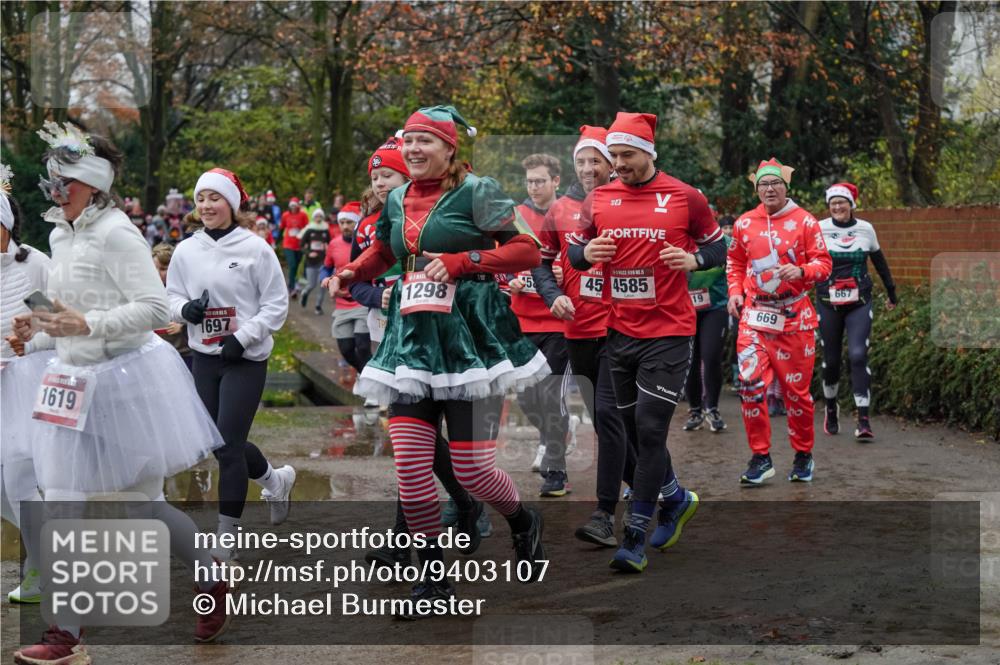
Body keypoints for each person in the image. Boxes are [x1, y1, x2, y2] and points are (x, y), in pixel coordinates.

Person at [10, 124, 231, 661]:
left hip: (127, 383)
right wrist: (33, 331)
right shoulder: (59, 234)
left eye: (63, 178)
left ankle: (212, 576)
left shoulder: (116, 232)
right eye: (51, 177)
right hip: (66, 383)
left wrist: (87, 324)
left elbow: (155, 310)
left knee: (142, 507)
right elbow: (65, 314)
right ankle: (66, 634)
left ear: (90, 183)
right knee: (59, 501)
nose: (53, 186)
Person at [329, 105, 548, 606]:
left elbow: (527, 251)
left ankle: (522, 518)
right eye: (408, 142)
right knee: (410, 462)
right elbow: (384, 253)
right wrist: (351, 274)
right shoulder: (399, 196)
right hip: (410, 339)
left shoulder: (477, 191)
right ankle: (432, 577)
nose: (412, 150)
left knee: (472, 471)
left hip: (467, 340)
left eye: (424, 142)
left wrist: (462, 260)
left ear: (450, 149)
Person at [568, 112, 726, 572]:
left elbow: (720, 246)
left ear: (650, 153)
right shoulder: (598, 199)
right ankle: (674, 498)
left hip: (670, 332)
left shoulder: (685, 197)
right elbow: (574, 254)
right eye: (613, 156)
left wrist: (693, 258)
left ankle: (634, 535)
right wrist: (585, 254)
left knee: (652, 428)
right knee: (633, 431)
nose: (619, 164)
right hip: (618, 334)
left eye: (628, 155)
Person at [167, 167, 296, 561]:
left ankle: (227, 536)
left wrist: (244, 337)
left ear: (232, 204)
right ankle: (275, 482)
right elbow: (169, 294)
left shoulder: (255, 248)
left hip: (245, 358)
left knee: (228, 446)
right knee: (219, 441)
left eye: (215, 198)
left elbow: (277, 304)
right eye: (201, 199)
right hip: (203, 357)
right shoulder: (186, 249)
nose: (206, 206)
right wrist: (185, 309)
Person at [534, 125, 639, 546]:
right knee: (604, 420)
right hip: (578, 329)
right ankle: (662, 491)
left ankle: (603, 512)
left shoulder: (628, 203)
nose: (588, 167)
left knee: (615, 419)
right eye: (581, 160)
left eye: (595, 159)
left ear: (612, 162)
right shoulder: (559, 210)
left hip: (619, 329)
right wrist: (553, 294)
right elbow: (540, 262)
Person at [725, 158, 832, 485]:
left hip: (794, 319)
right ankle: (760, 457)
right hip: (754, 317)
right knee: (751, 384)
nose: (769, 189)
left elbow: (824, 264)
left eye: (775, 184)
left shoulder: (806, 222)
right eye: (763, 185)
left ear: (786, 187)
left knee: (796, 394)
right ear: (756, 189)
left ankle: (803, 455)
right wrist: (734, 292)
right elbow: (735, 262)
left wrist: (802, 271)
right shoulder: (744, 223)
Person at [0, 163, 51, 605]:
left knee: (19, 478)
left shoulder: (32, 265)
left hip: (27, 382)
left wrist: (27, 344)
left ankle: (45, 570)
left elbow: (56, 322)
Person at [509, 153, 572, 496]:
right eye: (529, 181)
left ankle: (556, 472)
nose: (533, 187)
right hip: (522, 320)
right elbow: (501, 257)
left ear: (556, 181)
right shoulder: (515, 217)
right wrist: (510, 282)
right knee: (526, 396)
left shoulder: (570, 214)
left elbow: (587, 260)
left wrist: (567, 274)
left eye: (540, 181)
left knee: (551, 396)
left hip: (559, 322)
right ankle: (555, 436)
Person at [817, 182, 897, 439]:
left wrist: (892, 293)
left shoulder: (865, 229)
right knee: (830, 362)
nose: (838, 207)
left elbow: (880, 262)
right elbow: (807, 262)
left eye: (842, 202)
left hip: (859, 302)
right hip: (828, 302)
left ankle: (863, 420)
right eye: (833, 203)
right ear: (829, 206)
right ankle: (831, 408)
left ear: (851, 204)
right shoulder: (819, 228)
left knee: (858, 355)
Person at [682, 209, 733, 433]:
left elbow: (737, 270)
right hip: (684, 309)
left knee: (711, 356)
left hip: (715, 308)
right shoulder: (678, 240)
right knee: (690, 360)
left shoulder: (725, 242)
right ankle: (695, 411)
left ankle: (712, 408)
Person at [321, 202, 371, 372]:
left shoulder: (366, 243)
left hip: (362, 302)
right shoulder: (334, 244)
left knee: (363, 346)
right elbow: (326, 267)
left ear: (357, 223)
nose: (345, 226)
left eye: (349, 222)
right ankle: (364, 374)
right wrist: (326, 280)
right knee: (346, 349)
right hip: (342, 304)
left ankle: (369, 384)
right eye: (342, 223)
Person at [151, 243, 193, 370]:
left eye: (163, 269)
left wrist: (182, 325)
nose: (158, 273)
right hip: (158, 354)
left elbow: (199, 313)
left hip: (185, 353)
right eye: (154, 268)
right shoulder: (148, 290)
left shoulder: (187, 288)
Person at [299, 208, 331, 314]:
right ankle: (304, 293)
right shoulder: (309, 230)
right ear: (314, 217)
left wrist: (328, 248)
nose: (318, 218)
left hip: (323, 262)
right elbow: (301, 246)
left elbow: (330, 244)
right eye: (316, 216)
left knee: (322, 285)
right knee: (311, 284)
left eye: (320, 216)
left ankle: (318, 307)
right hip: (311, 262)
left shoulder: (326, 230)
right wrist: (309, 253)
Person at [279, 196, 308, 298]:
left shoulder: (303, 215)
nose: (293, 208)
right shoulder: (285, 215)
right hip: (288, 244)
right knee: (292, 265)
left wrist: (305, 240)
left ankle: (293, 283)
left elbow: (307, 229)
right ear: (289, 207)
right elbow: (281, 227)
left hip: (299, 244)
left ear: (298, 206)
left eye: (295, 206)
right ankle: (291, 287)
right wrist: (277, 241)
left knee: (297, 265)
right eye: (292, 206)